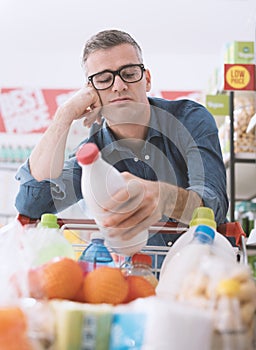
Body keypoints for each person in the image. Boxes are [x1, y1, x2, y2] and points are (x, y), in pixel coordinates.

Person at [15, 29, 228, 246]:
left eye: (129, 73)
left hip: (201, 265)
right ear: (91, 91)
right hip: (133, 275)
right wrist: (64, 116)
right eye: (104, 79)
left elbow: (214, 204)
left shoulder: (190, 119)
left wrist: (164, 197)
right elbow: (31, 204)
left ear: (147, 79)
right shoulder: (91, 158)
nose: (119, 86)